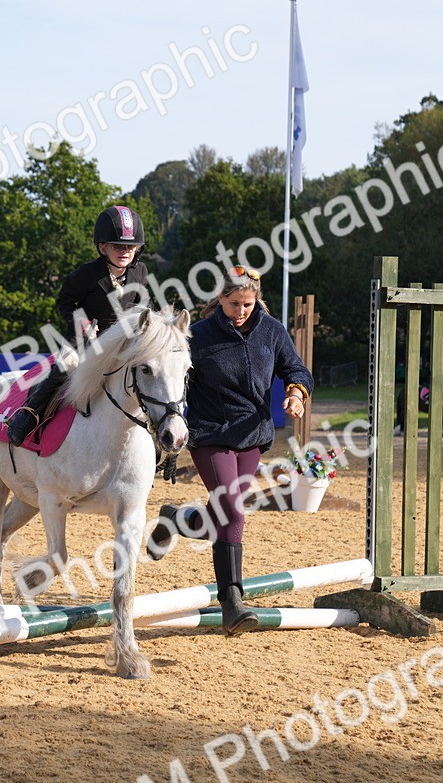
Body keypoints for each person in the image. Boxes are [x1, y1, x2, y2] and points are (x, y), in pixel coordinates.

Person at [147, 268, 313, 636]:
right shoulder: (199, 337)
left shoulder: (271, 330)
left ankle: (176, 520)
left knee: (221, 515)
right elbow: (174, 383)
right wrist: (170, 438)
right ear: (219, 299)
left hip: (251, 435)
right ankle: (232, 601)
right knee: (232, 509)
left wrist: (295, 393)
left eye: (248, 304)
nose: (241, 311)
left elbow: (296, 369)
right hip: (210, 434)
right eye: (234, 303)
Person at [6, 205, 150, 446]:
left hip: (122, 341)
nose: (125, 251)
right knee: (65, 365)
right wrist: (81, 321)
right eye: (117, 246)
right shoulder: (87, 274)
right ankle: (28, 415)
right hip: (85, 338)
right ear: (102, 247)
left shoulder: (141, 272)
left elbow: (144, 305)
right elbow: (65, 302)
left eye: (130, 247)